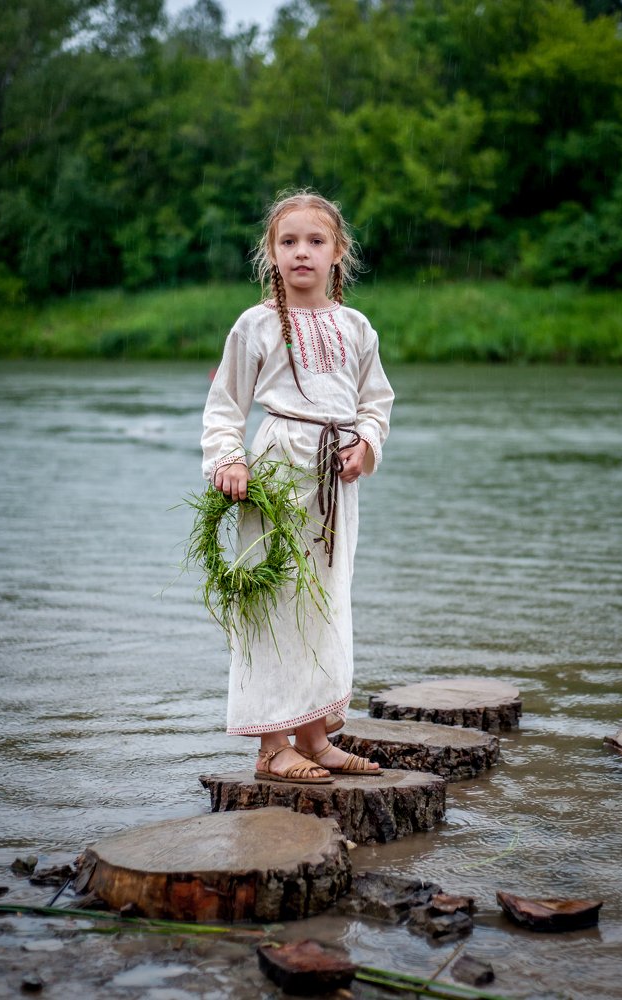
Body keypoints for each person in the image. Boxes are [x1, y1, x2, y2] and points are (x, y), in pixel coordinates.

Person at [201, 191, 394, 784]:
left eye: (315, 241)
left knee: (324, 603)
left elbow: (375, 403)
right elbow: (224, 407)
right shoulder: (255, 324)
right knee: (272, 602)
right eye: (289, 242)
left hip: (334, 483)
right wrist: (229, 459)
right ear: (272, 254)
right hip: (278, 470)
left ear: (339, 253)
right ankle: (271, 745)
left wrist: (365, 444)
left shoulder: (356, 327)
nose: (302, 252)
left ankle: (314, 736)